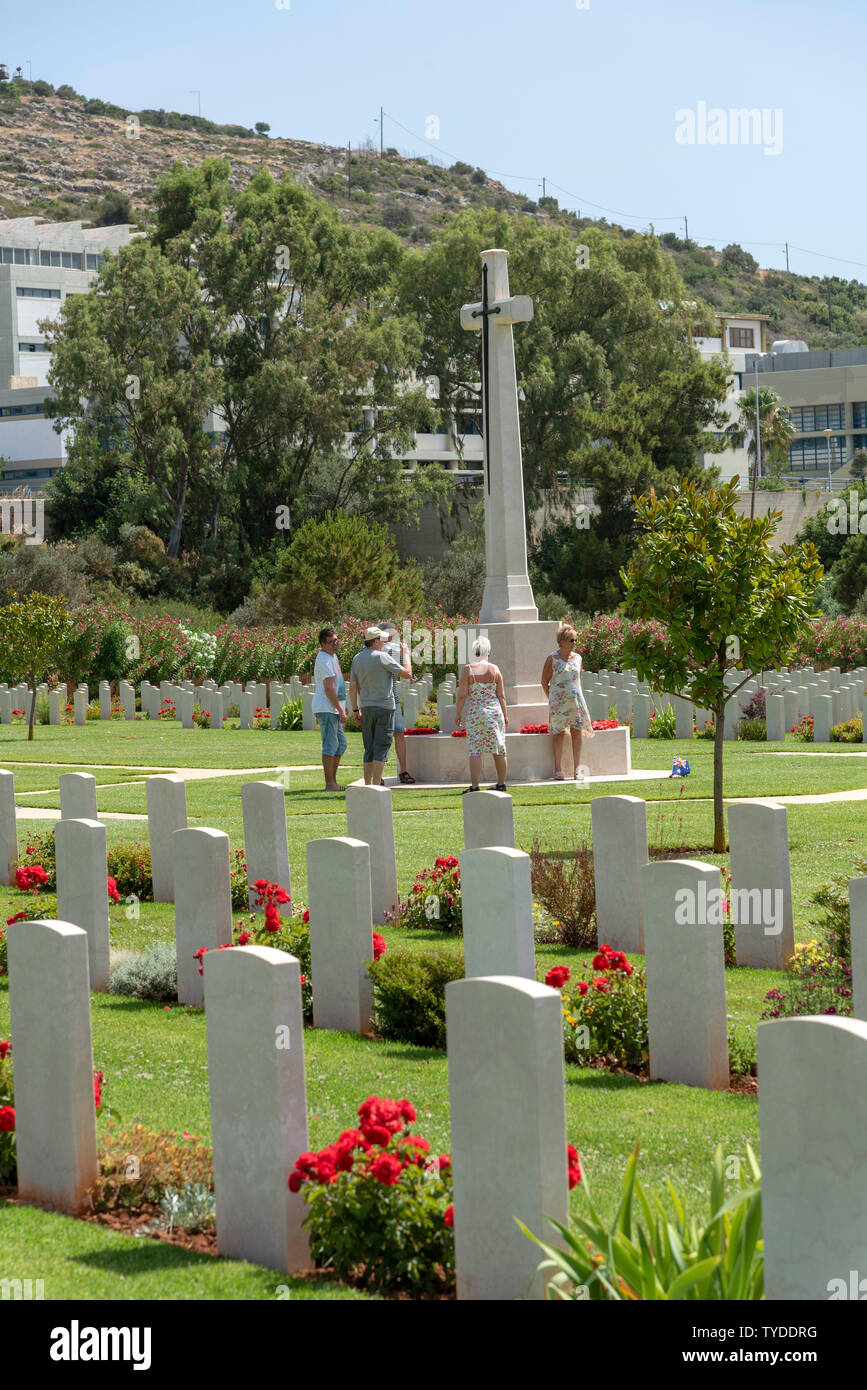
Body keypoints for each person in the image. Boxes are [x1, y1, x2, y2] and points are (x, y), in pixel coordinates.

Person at [349, 627, 411, 786]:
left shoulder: (357, 658)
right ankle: (376, 786)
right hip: (384, 707)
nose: (384, 642)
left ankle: (368, 785)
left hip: (367, 707)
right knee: (382, 746)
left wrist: (355, 709)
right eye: (382, 640)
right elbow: (407, 674)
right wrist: (406, 655)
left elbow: (353, 687)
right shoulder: (382, 657)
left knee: (369, 748)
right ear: (375, 641)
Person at [454, 636, 508, 792]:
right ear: (488, 652)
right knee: (499, 748)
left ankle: (475, 786)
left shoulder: (468, 669)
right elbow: (501, 695)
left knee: (475, 749)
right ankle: (501, 783)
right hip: (494, 711)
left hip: (477, 711)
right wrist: (505, 715)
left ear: (474, 651)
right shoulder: (495, 669)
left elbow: (463, 694)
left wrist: (458, 713)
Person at [540, 625, 594, 780]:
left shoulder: (578, 658)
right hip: (558, 703)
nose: (574, 643)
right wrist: (552, 698)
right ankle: (558, 770)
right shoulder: (553, 659)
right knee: (559, 733)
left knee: (577, 732)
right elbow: (544, 682)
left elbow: (578, 679)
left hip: (575, 701)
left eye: (576, 640)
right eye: (572, 640)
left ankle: (577, 770)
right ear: (562, 641)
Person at [380, 619, 415, 783]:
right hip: (378, 698)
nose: (393, 638)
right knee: (380, 736)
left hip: (392, 696)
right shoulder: (373, 652)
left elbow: (407, 673)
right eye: (390, 635)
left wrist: (404, 655)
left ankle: (403, 770)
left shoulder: (394, 651)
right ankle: (377, 775)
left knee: (399, 733)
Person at [312, 625, 347, 791]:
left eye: (336, 640)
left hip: (333, 707)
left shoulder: (333, 657)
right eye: (332, 641)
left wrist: (342, 707)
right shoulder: (324, 660)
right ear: (323, 644)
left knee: (340, 745)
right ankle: (330, 784)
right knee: (330, 745)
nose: (336, 643)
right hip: (327, 708)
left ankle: (333, 781)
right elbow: (328, 688)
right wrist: (340, 709)